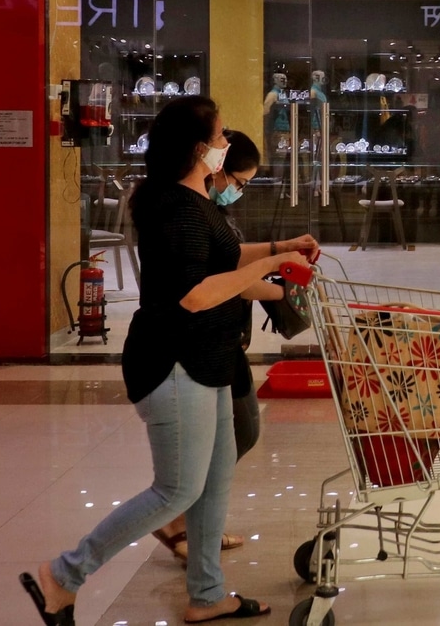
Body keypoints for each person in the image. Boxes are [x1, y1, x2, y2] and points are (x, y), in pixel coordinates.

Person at [22, 97, 317, 626]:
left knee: (216, 475)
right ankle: (64, 575)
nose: (227, 144)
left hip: (210, 360)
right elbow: (197, 294)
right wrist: (275, 262)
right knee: (177, 488)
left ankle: (207, 593)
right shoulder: (177, 208)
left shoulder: (194, 199)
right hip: (174, 362)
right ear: (200, 147)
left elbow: (221, 256)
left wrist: (281, 245)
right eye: (221, 135)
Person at [149, 130, 272, 564]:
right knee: (221, 446)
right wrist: (276, 286)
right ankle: (179, 522)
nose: (239, 190)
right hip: (198, 346)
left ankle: (200, 545)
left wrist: (279, 252)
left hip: (222, 341)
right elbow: (206, 286)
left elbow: (233, 258)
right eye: (240, 181)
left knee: (240, 435)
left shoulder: (204, 209)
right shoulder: (184, 211)